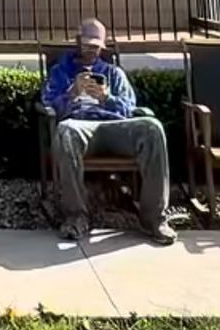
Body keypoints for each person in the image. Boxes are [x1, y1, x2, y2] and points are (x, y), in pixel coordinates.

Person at [42, 18, 176, 245]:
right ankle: (76, 217)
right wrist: (72, 93)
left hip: (115, 127)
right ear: (77, 42)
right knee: (65, 130)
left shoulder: (113, 73)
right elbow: (48, 105)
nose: (92, 50)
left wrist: (106, 98)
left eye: (96, 46)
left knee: (153, 127)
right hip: (80, 125)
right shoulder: (60, 72)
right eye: (87, 45)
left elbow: (129, 107)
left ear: (103, 47)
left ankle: (154, 219)